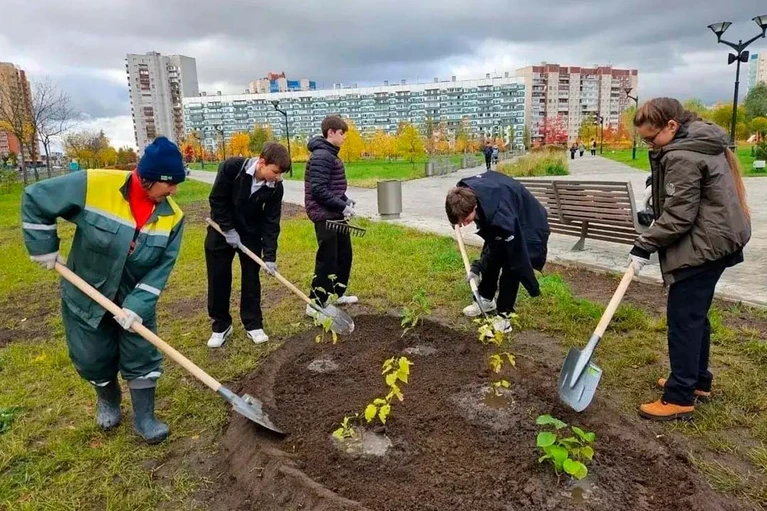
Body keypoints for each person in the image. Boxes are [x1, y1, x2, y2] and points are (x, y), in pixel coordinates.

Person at [21, 136, 186, 444]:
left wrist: (137, 305)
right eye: (170, 183)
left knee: (141, 353)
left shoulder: (173, 218)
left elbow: (161, 268)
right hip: (87, 290)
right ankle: (108, 399)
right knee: (91, 355)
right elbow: (36, 197)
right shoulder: (95, 184)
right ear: (149, 178)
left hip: (135, 295)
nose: (174, 191)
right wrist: (43, 246)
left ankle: (144, 418)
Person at [629, 97, 751, 421]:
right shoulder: (696, 140)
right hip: (718, 240)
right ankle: (697, 380)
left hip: (704, 247)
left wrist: (644, 244)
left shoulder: (682, 154)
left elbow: (680, 216)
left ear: (671, 125)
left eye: (651, 138)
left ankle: (680, 395)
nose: (650, 145)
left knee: (683, 319)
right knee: (695, 316)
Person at [205, 143, 291, 348]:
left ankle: (253, 324)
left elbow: (271, 223)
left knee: (251, 278)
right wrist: (228, 229)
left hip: (250, 234)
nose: (278, 177)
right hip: (220, 231)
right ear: (262, 162)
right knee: (218, 277)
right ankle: (221, 325)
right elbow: (217, 199)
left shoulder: (275, 187)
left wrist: (269, 256)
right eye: (275, 172)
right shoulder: (232, 168)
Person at [445, 171, 550, 332]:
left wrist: (532, 286)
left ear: (475, 207)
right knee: (493, 254)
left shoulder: (501, 218)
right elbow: (491, 244)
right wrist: (455, 220)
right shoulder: (462, 193)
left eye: (466, 220)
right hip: (507, 205)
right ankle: (486, 299)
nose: (464, 225)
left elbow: (516, 258)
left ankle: (504, 316)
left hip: (529, 224)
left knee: (510, 266)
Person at [304, 116, 358, 315]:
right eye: (342, 133)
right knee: (328, 258)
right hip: (324, 215)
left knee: (344, 254)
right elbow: (318, 190)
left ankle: (337, 293)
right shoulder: (322, 156)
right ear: (331, 132)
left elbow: (333, 188)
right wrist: (342, 206)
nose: (344, 137)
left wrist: (346, 200)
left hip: (334, 212)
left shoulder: (330, 154)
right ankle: (315, 302)